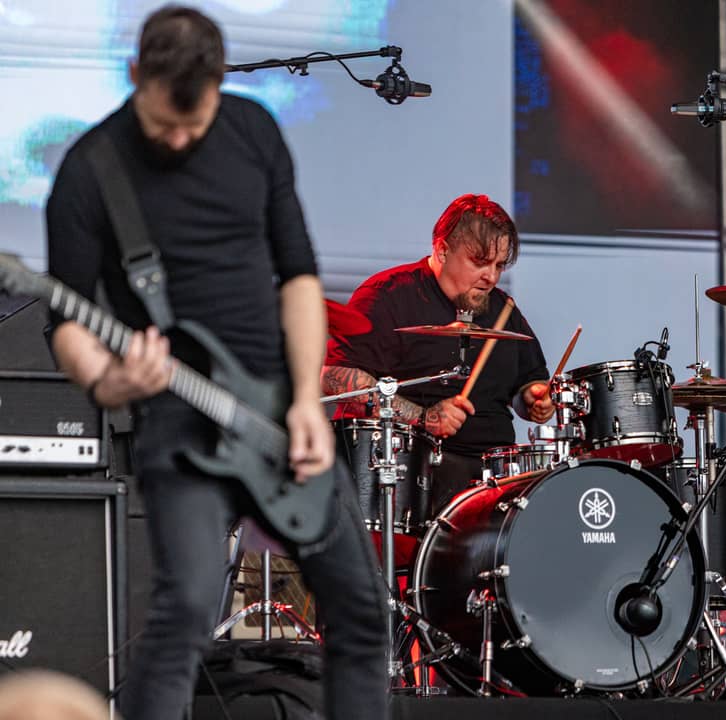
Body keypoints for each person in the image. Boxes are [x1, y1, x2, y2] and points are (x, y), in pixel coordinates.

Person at [45, 7, 386, 720]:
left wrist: (305, 400)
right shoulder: (90, 171)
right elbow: (67, 322)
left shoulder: (253, 131)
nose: (177, 138)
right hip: (178, 422)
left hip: (280, 410)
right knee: (186, 611)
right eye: (163, 122)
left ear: (220, 82)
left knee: (359, 611)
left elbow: (298, 277)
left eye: (192, 124)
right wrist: (109, 380)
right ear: (135, 75)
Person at [322, 194, 554, 511]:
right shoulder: (388, 296)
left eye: (499, 265)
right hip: (413, 476)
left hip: (494, 482)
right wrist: (423, 417)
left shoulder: (504, 309)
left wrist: (533, 399)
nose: (491, 277)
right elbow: (333, 377)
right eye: (480, 262)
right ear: (443, 250)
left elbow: (528, 383)